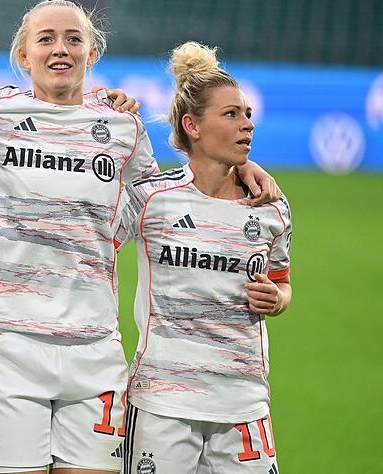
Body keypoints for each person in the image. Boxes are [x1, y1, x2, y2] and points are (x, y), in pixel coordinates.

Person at [0, 0, 279, 474]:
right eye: (46, 39)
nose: (60, 49)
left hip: (95, 349)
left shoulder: (123, 126)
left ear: (91, 53)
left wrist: (237, 167)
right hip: (10, 345)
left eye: (73, 39)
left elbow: (158, 201)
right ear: (24, 56)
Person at [114, 41, 290, 474]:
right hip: (163, 402)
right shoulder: (153, 199)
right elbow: (88, 234)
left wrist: (278, 298)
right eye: (231, 114)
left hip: (244, 403)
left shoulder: (270, 206)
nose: (247, 124)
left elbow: (282, 282)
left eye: (247, 113)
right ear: (192, 125)